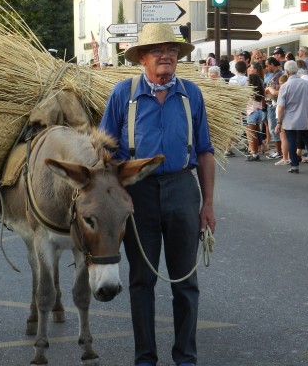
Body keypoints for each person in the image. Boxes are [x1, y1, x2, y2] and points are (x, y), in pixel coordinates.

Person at [99, 22, 215, 366]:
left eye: (172, 51)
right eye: (157, 51)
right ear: (142, 58)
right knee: (142, 280)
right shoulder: (124, 93)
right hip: (139, 192)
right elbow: (105, 154)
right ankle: (145, 358)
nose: (166, 56)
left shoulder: (191, 93)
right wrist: (119, 193)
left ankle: (186, 357)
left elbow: (205, 151)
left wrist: (207, 204)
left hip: (182, 188)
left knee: (185, 281)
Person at [276, 61, 308, 173]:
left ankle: (294, 165)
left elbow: (281, 106)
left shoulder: (285, 86)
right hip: (304, 116)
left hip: (289, 118)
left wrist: (279, 122)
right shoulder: (306, 84)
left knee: (291, 141)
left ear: (286, 72)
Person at [244, 73, 266, 161]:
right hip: (259, 111)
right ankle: (256, 152)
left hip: (251, 112)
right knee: (256, 133)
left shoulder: (249, 90)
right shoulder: (261, 89)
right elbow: (264, 102)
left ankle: (254, 153)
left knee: (252, 134)